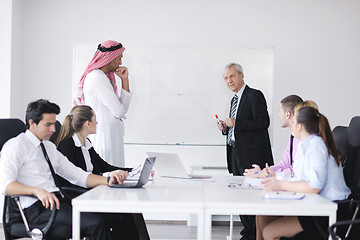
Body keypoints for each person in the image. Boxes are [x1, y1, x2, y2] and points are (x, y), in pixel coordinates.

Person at [0, 99, 138, 240]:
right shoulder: (15, 147)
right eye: (48, 125)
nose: (53, 130)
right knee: (96, 223)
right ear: (31, 123)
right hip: (35, 209)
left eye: (54, 124)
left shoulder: (48, 147)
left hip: (57, 202)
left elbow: (78, 176)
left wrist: (108, 180)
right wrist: (36, 190)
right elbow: (6, 185)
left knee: (121, 216)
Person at [55, 105, 150, 239]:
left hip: (93, 193)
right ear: (87, 124)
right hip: (78, 197)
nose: (97, 123)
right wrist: (106, 178)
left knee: (131, 210)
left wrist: (135, 170)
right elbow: (76, 178)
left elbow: (105, 166)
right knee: (123, 215)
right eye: (95, 119)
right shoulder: (67, 146)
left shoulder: (86, 143)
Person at [257, 106, 351, 240]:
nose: (292, 125)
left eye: (294, 122)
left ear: (300, 126)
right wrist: (276, 179)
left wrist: (281, 184)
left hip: (329, 210)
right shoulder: (305, 144)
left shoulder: (316, 145)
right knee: (264, 217)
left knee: (269, 232)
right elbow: (300, 179)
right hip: (315, 205)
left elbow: (314, 187)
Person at [217, 63, 274, 240]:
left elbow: (263, 122)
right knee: (239, 194)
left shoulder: (254, 95)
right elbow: (236, 128)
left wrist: (236, 123)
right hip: (235, 153)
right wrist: (225, 129)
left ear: (242, 76)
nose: (229, 81)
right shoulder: (233, 99)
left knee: (251, 195)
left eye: (232, 76)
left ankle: (254, 233)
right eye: (226, 78)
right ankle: (248, 231)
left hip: (252, 155)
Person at [73, 40, 132, 167]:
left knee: (117, 175)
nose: (121, 62)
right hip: (104, 136)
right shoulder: (96, 77)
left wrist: (125, 80)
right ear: (109, 59)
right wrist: (120, 110)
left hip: (111, 135)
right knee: (108, 177)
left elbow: (122, 109)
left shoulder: (104, 77)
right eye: (118, 58)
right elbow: (119, 111)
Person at [244, 96, 311, 179]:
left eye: (280, 112)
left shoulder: (303, 139)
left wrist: (269, 174)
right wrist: (263, 171)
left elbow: (295, 171)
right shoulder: (293, 138)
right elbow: (283, 165)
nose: (278, 115)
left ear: (288, 114)